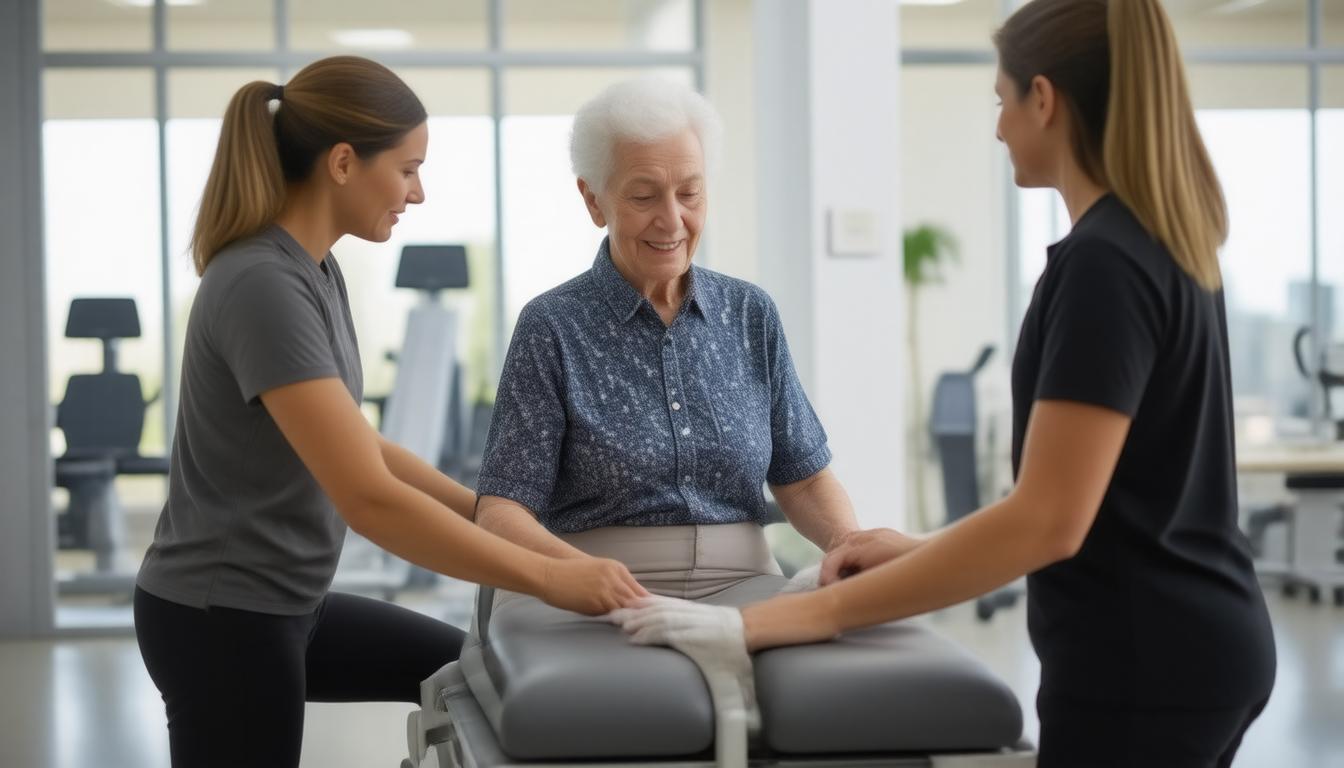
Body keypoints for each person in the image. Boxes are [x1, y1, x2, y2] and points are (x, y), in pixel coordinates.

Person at [614, 2, 1277, 765]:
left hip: (1145, 662)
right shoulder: (1162, 241)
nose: (998, 129)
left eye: (1002, 101)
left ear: (1044, 99)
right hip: (1199, 637)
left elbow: (1047, 522)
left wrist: (762, 624)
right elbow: (1096, 503)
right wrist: (915, 550)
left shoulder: (1104, 266)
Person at [133, 55, 645, 768]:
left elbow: (363, 446)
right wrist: (550, 579)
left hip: (292, 604)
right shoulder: (261, 283)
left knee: (461, 670)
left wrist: (493, 516)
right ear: (344, 163)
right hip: (224, 618)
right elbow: (369, 498)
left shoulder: (315, 269)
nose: (418, 192)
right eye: (408, 169)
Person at [474, 77, 864, 613]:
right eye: (643, 195)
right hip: (593, 588)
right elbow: (501, 509)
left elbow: (804, 480)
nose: (672, 219)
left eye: (690, 193)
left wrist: (848, 545)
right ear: (593, 200)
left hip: (743, 581)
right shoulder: (552, 325)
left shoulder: (750, 313)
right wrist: (571, 571)